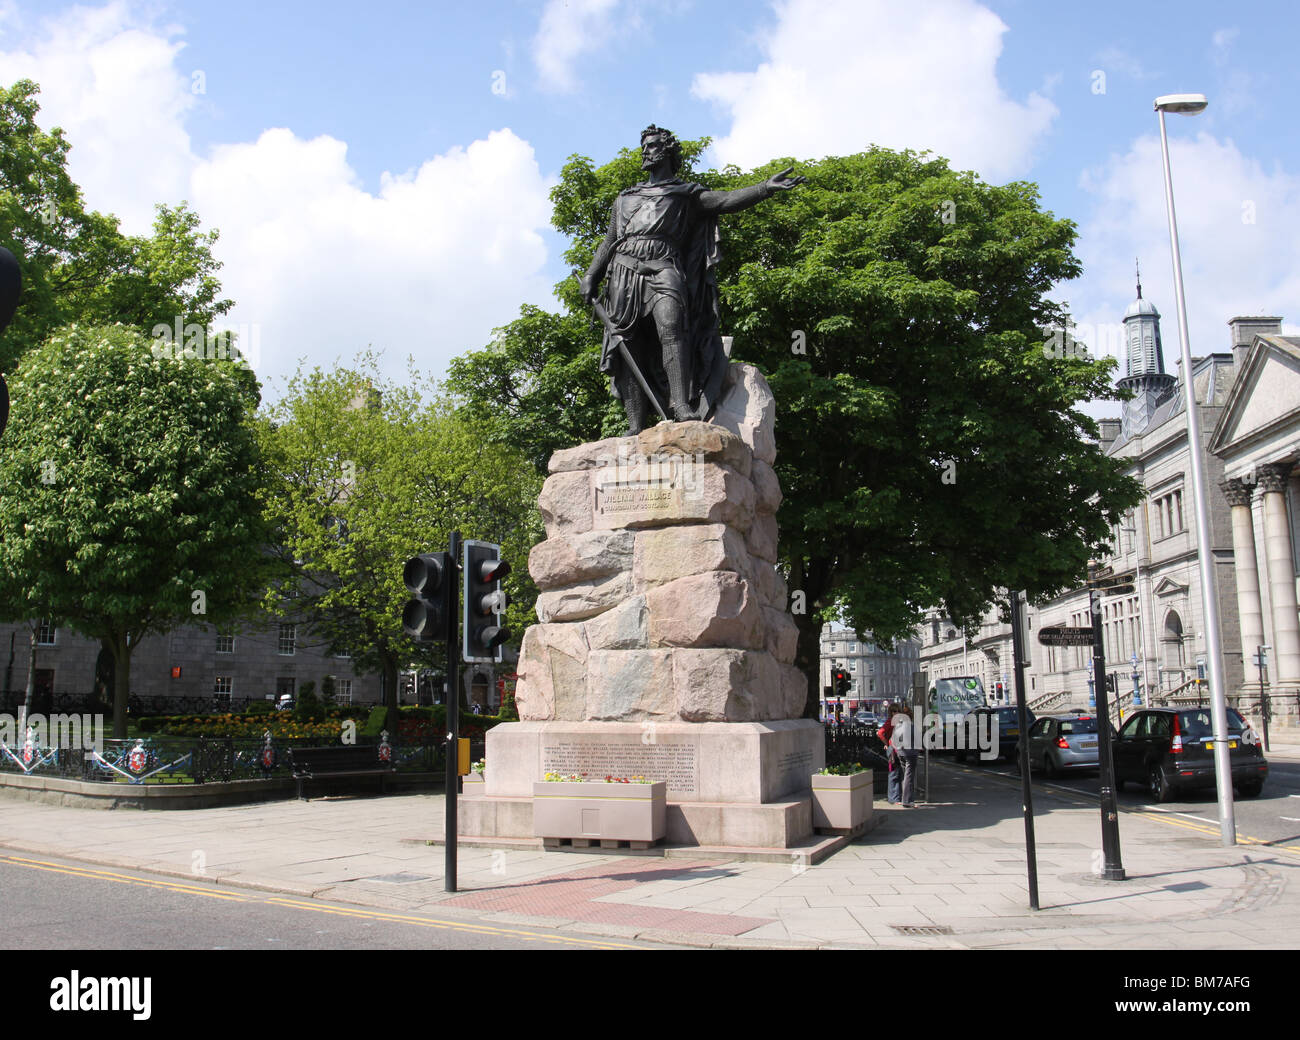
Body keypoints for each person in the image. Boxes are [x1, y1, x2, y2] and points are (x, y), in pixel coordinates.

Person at [580, 125, 805, 433]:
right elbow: (609, 241)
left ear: (668, 152)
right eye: (643, 145)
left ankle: (681, 404)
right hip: (623, 272)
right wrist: (592, 274)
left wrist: (765, 187)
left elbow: (725, 201)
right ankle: (634, 424)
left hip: (663, 267)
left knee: (672, 327)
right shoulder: (624, 198)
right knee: (627, 345)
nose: (645, 150)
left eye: (653, 145)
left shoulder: (686, 194)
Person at [891, 700, 919, 807]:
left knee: (906, 776)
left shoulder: (898, 725)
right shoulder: (911, 725)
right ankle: (907, 801)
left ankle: (908, 799)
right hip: (910, 753)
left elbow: (893, 739)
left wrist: (898, 749)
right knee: (909, 777)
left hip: (900, 753)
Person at [877, 708, 900, 804]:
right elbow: (880, 733)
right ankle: (893, 798)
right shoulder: (891, 722)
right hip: (893, 749)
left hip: (893, 748)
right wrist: (887, 743)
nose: (897, 713)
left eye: (898, 711)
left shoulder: (893, 721)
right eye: (895, 711)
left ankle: (895, 797)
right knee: (893, 773)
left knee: (895, 772)